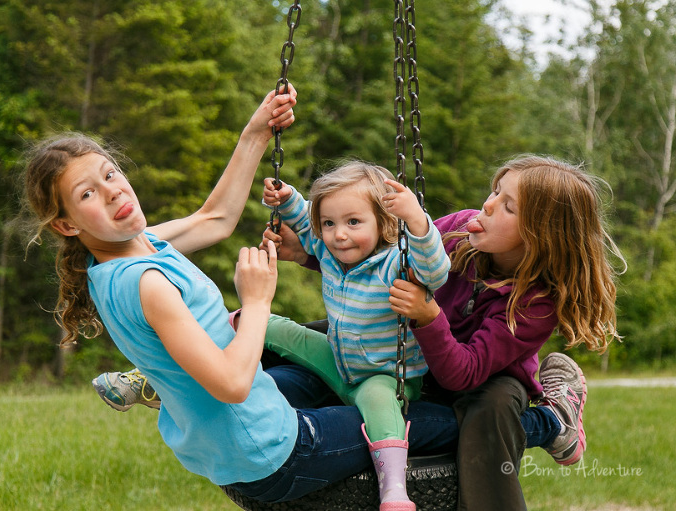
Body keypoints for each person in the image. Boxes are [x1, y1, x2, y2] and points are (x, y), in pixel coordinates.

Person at [22, 86, 462, 505]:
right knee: (431, 419)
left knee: (313, 376)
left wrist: (255, 133)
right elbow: (233, 384)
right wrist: (255, 303)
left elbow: (214, 219)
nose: (113, 190)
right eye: (88, 194)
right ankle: (531, 424)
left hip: (227, 445)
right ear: (67, 225)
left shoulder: (124, 251)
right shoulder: (147, 282)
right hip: (270, 451)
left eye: (110, 173)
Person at [266, 155, 624, 511]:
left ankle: (553, 421)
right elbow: (387, 259)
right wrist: (308, 255)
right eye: (495, 191)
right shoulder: (460, 228)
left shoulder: (537, 302)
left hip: (482, 379)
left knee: (490, 412)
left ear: (541, 234)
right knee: (327, 335)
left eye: (508, 206)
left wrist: (428, 316)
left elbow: (462, 374)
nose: (487, 204)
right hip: (411, 348)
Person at [257, 161, 450, 511]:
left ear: (384, 221)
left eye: (353, 222)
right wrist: (287, 199)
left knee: (378, 403)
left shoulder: (395, 262)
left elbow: (436, 271)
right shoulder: (329, 254)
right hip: (337, 360)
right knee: (271, 325)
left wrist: (417, 220)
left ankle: (393, 490)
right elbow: (303, 220)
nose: (339, 234)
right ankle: (194, 358)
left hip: (384, 377)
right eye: (329, 223)